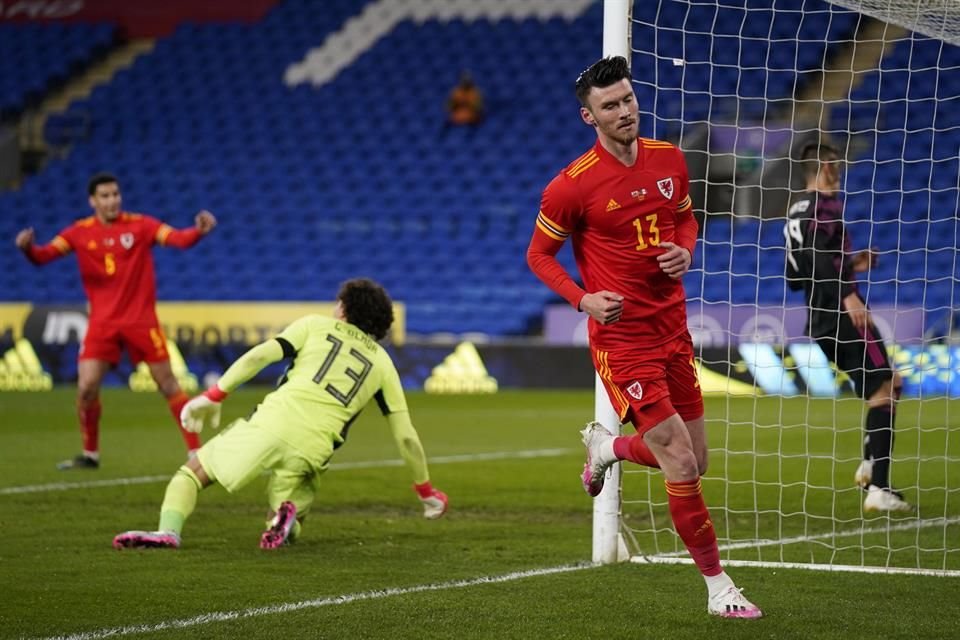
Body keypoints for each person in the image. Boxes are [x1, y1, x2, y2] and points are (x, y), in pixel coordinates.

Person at [526, 56, 762, 619]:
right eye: (611, 105)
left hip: (673, 329)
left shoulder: (669, 158)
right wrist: (581, 298)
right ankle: (718, 588)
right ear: (590, 117)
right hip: (623, 340)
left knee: (696, 459)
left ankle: (606, 448)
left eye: (628, 99)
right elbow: (539, 255)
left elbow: (684, 218)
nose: (625, 111)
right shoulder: (571, 187)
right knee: (680, 461)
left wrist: (687, 249)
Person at [113, 278, 448, 550]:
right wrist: (425, 490)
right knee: (291, 520)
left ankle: (169, 532)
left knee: (191, 474)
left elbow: (259, 357)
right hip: (315, 448)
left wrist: (214, 395)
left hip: (272, 422)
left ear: (343, 309)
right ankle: (283, 521)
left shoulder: (315, 326)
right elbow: (406, 436)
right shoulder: (384, 364)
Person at [14, 172, 216, 470]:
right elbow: (43, 257)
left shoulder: (141, 225)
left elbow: (177, 239)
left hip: (141, 321)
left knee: (168, 384)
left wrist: (198, 231)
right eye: (105, 196)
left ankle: (195, 453)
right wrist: (28, 248)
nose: (112, 201)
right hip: (102, 323)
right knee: (86, 388)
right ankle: (90, 454)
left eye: (115, 194)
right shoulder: (78, 232)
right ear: (93, 201)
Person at [784, 141, 911, 512]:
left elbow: (796, 275)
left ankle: (872, 467)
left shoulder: (795, 210)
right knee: (885, 387)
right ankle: (879, 488)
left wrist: (852, 264)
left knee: (890, 383)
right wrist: (848, 294)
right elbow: (818, 257)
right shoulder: (823, 205)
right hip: (843, 313)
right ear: (824, 167)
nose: (839, 172)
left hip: (820, 316)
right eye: (835, 165)